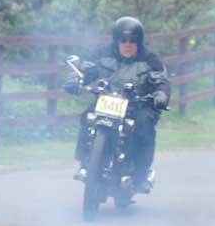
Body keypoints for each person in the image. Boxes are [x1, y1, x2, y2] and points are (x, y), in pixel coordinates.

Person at [68, 16, 170, 192]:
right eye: (123, 40)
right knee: (87, 117)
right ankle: (85, 163)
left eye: (132, 41)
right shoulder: (102, 54)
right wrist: (75, 80)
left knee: (145, 125)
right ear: (116, 41)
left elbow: (161, 80)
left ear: (139, 42)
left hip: (138, 104)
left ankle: (140, 174)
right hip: (107, 100)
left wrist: (161, 94)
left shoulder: (150, 59)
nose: (128, 45)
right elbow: (87, 70)